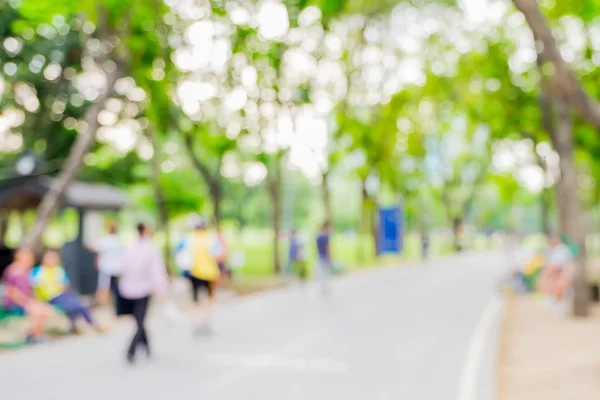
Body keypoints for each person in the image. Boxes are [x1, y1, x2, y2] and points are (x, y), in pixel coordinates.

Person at [119, 223, 169, 364]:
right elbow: (157, 271)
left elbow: (122, 267)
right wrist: (162, 289)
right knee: (140, 320)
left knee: (139, 318)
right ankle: (131, 348)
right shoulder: (151, 248)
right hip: (143, 289)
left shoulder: (130, 246)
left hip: (129, 289)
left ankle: (146, 346)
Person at [30, 250, 104, 334]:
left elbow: (65, 286)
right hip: (50, 298)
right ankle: (78, 325)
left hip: (62, 295)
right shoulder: (38, 272)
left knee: (80, 305)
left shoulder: (58, 270)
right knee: (74, 306)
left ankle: (91, 325)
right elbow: (34, 288)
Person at [1, 248, 53, 343]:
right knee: (39, 311)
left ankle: (34, 334)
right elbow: (12, 293)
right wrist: (27, 303)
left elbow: (30, 290)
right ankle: (33, 335)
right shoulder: (13, 270)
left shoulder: (27, 271)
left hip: (25, 301)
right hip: (14, 303)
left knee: (45, 309)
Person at [188, 218, 220, 335]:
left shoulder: (189, 239)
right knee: (209, 299)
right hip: (210, 274)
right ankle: (206, 321)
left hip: (194, 272)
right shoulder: (211, 239)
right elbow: (217, 255)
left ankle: (195, 323)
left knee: (195, 300)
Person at [93, 221, 123, 311]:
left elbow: (95, 248)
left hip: (105, 268)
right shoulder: (118, 241)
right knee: (114, 287)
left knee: (103, 286)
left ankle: (103, 303)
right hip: (115, 268)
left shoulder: (104, 240)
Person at [315, 222, 332, 295]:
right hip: (324, 257)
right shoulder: (326, 237)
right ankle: (324, 288)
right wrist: (329, 257)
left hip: (320, 256)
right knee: (325, 273)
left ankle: (323, 288)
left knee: (322, 273)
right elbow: (327, 247)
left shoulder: (318, 237)